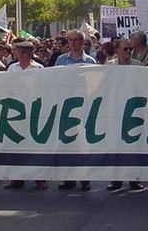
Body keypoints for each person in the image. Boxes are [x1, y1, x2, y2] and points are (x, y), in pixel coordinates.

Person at [54, 30, 97, 191]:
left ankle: (85, 178)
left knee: (83, 144)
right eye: (70, 40)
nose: (72, 43)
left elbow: (94, 84)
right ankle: (68, 178)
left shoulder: (90, 61)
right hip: (65, 106)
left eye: (76, 40)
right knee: (67, 142)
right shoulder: (61, 60)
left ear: (82, 42)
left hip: (84, 106)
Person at [4, 41, 48, 190]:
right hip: (16, 110)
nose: (14, 53)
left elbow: (43, 88)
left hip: (34, 110)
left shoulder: (39, 68)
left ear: (24, 53)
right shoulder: (12, 68)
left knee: (35, 145)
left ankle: (39, 178)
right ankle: (17, 177)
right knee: (16, 144)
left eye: (16, 50)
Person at [105, 38, 145, 192]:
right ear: (117, 51)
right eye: (125, 49)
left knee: (133, 145)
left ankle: (134, 178)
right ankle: (116, 179)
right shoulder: (109, 66)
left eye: (130, 49)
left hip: (133, 109)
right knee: (115, 145)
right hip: (115, 109)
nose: (128, 52)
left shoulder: (138, 65)